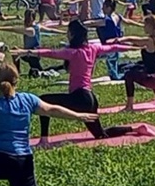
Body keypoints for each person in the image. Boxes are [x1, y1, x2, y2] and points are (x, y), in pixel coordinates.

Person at [15, 20, 138, 148]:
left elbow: (50, 53)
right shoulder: (92, 49)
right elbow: (113, 48)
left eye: (68, 32)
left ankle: (44, 141)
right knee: (101, 134)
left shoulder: (73, 52)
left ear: (73, 34)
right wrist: (134, 47)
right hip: (90, 99)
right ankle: (132, 129)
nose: (67, 34)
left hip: (80, 98)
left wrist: (25, 52)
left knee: (44, 101)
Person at [0, 10, 64, 76]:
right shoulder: (38, 26)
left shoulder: (30, 30)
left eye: (29, 19)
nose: (27, 21)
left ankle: (61, 68)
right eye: (27, 18)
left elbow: (13, 29)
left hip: (32, 55)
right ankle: (17, 71)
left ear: (33, 19)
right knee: (15, 50)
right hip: (29, 53)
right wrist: (63, 32)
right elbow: (51, 30)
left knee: (41, 71)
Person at [84, 0, 125, 81]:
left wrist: (80, 23)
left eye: (103, 7)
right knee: (113, 71)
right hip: (116, 48)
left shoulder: (106, 20)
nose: (102, 9)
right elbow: (128, 21)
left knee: (92, 54)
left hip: (109, 49)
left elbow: (92, 23)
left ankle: (87, 77)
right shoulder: (117, 16)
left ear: (109, 8)